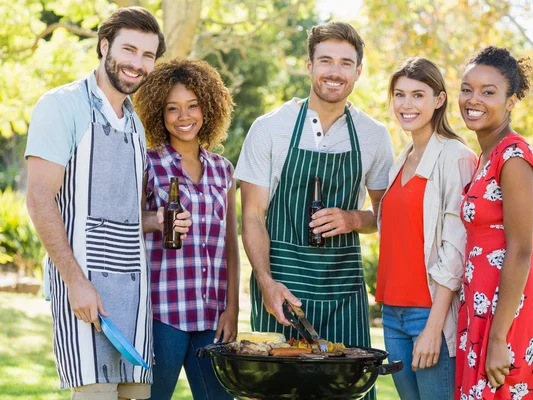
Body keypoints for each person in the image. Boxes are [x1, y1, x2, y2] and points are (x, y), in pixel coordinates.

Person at [25, 7, 191, 400]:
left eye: (147, 55)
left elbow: (122, 211)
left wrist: (156, 220)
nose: (137, 63)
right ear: (104, 47)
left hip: (133, 296)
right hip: (84, 291)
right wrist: (75, 283)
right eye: (129, 50)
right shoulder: (61, 105)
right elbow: (39, 198)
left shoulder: (135, 124)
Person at [234, 21, 394, 399]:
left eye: (345, 62)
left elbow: (386, 217)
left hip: (344, 291)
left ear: (358, 70)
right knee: (282, 392)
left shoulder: (374, 136)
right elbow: (252, 217)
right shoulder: (270, 128)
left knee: (348, 391)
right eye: (325, 60)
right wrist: (265, 282)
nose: (334, 71)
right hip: (282, 292)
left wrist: (354, 218)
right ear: (309, 66)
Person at [135, 58, 239, 400]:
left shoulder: (223, 169)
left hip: (213, 315)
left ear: (207, 108)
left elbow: (230, 243)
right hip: (163, 312)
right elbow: (129, 222)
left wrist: (232, 308)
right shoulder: (149, 164)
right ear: (159, 114)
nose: (184, 117)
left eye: (192, 106)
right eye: (172, 108)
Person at [456, 46, 533, 400]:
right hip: (481, 315)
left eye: (488, 91)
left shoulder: (514, 156)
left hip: (509, 318)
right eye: (467, 88)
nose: (473, 99)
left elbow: (520, 249)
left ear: (511, 101)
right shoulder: (487, 154)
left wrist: (497, 339)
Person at [376, 57, 476, 400]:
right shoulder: (400, 160)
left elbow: (456, 247)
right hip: (392, 314)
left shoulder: (456, 157)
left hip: (428, 312)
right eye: (400, 95)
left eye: (418, 95)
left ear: (439, 99)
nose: (407, 104)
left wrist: (434, 325)